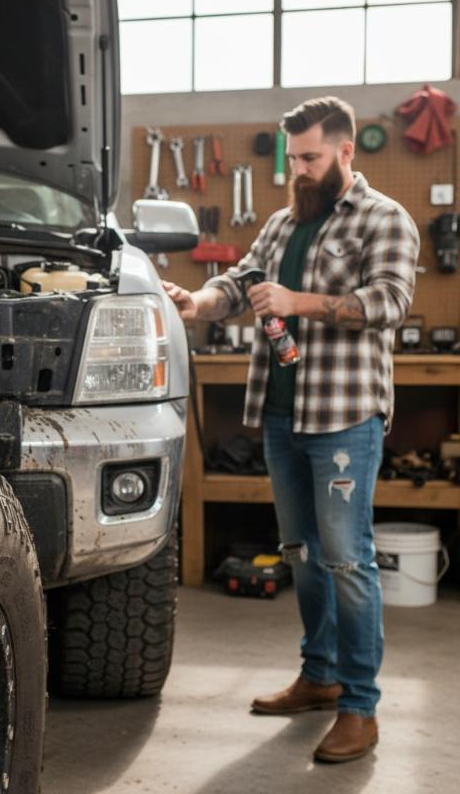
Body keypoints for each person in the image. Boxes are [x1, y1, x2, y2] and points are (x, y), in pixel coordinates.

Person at [163, 97, 419, 763]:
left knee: (347, 561)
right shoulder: (282, 222)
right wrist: (196, 302)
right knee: (302, 554)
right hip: (281, 417)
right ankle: (319, 675)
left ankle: (360, 707)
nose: (298, 170)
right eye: (293, 159)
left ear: (345, 152)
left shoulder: (384, 217)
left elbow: (391, 302)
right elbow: (238, 283)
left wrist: (298, 302)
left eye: (310, 158)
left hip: (344, 417)